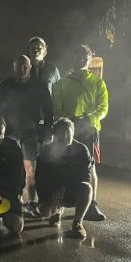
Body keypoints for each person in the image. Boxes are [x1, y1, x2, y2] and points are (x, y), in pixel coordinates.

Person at [52, 44, 108, 220]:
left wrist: (88, 119)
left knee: (90, 169)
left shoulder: (98, 82)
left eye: (85, 56)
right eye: (77, 55)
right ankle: (58, 204)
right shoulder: (61, 83)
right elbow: (56, 108)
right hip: (66, 131)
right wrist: (70, 120)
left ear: (90, 59)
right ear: (73, 58)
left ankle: (91, 205)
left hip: (89, 130)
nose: (81, 58)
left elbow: (103, 107)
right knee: (60, 165)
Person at [0, 56, 53, 217]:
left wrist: (48, 128)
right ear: (13, 67)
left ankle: (31, 202)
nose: (22, 69)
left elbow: (48, 108)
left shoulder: (38, 85)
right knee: (9, 168)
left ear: (29, 67)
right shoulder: (5, 86)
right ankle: (11, 199)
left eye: (25, 66)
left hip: (30, 134)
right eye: (18, 66)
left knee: (30, 170)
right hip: (10, 134)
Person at [35, 118, 94, 238]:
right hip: (52, 192)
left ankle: (77, 223)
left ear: (73, 132)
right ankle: (56, 212)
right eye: (61, 133)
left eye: (68, 132)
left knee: (87, 188)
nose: (65, 136)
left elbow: (85, 176)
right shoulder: (46, 151)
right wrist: (47, 198)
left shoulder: (81, 150)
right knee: (44, 212)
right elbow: (40, 179)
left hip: (71, 191)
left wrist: (65, 187)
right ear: (55, 135)